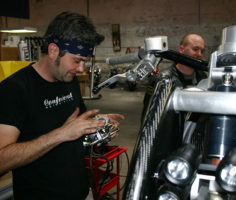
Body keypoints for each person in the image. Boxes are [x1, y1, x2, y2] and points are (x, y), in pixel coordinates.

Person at [0, 12, 125, 199]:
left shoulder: (68, 79)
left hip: (82, 191)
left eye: (85, 61)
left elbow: (75, 124)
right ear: (53, 51)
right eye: (77, 60)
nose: (81, 68)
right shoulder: (14, 89)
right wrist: (61, 134)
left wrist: (97, 123)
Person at [141, 33, 207, 122]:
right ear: (181, 49)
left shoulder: (203, 78)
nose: (199, 54)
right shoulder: (162, 79)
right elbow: (148, 115)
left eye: (202, 51)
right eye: (195, 49)